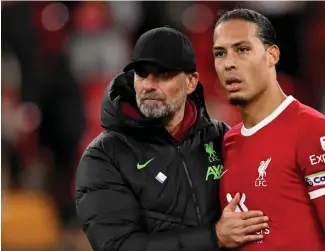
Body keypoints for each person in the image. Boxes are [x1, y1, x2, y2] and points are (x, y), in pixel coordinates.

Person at [75, 26, 270, 251]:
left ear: (191, 82)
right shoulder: (105, 156)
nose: (148, 85)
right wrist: (214, 237)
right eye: (142, 73)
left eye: (163, 74)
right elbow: (119, 246)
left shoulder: (222, 138)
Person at [213, 8, 325, 251]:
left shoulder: (312, 131)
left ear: (272, 55)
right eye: (220, 53)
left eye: (242, 50)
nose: (229, 63)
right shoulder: (228, 142)